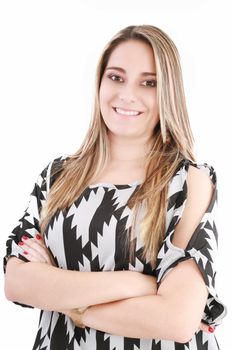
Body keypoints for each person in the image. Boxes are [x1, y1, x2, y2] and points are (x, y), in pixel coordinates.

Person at [3, 24, 226, 350]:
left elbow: (176, 319)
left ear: (168, 92)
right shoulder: (56, 177)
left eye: (149, 82)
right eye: (116, 77)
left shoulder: (189, 182)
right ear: (99, 82)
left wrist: (69, 302)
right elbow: (18, 283)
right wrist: (137, 283)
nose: (127, 94)